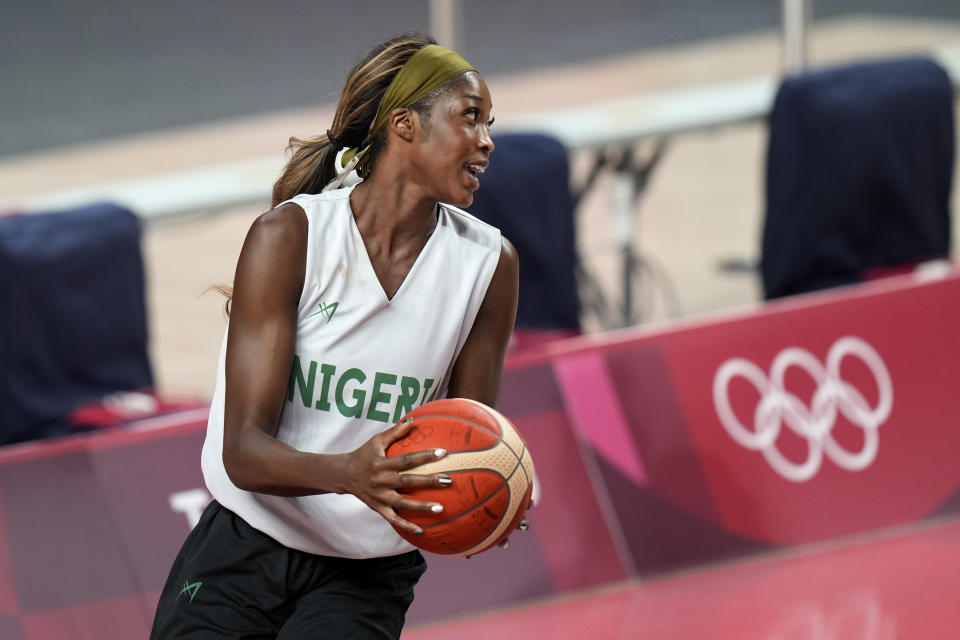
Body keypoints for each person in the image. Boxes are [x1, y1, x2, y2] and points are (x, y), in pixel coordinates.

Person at [150, 33, 520, 639]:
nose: (486, 140)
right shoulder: (291, 236)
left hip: (365, 572)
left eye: (490, 124)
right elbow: (241, 450)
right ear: (405, 125)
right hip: (247, 542)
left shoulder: (488, 263)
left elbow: (467, 437)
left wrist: (494, 487)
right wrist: (350, 473)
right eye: (470, 117)